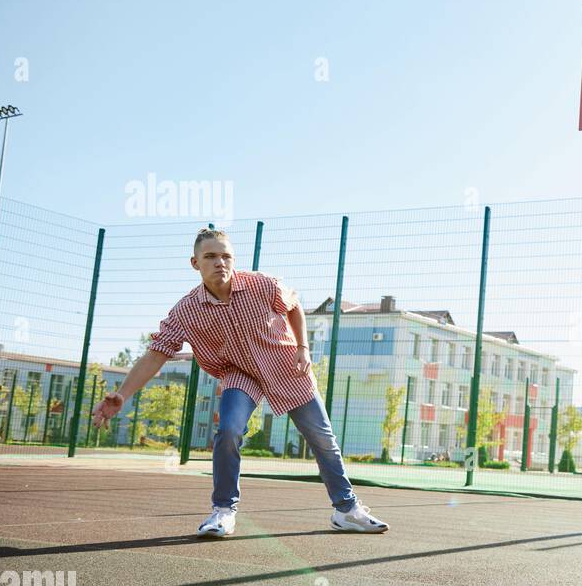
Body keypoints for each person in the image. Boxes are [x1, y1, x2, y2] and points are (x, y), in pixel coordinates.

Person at [92, 227, 389, 538]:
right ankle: (223, 511)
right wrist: (122, 394)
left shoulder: (262, 284)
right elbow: (156, 354)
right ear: (195, 263)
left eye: (226, 256)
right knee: (229, 429)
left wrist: (303, 348)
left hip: (286, 365)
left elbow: (294, 307)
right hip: (239, 373)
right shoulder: (186, 310)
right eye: (211, 256)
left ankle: (346, 510)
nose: (220, 262)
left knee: (323, 439)